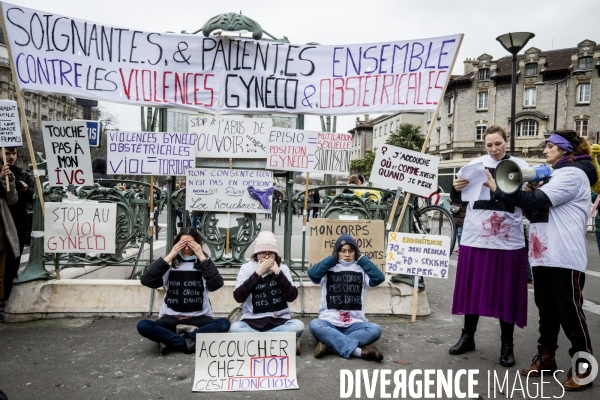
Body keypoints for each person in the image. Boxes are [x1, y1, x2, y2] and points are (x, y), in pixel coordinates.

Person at [486, 130, 598, 391]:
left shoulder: (572, 174)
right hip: (542, 255)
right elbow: (533, 209)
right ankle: (546, 358)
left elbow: (535, 200)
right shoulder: (553, 175)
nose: (544, 150)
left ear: (565, 149)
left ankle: (584, 366)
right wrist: (527, 192)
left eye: (549, 146)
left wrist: (499, 189)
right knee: (547, 312)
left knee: (570, 313)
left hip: (564, 255)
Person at [448, 125, 528, 368]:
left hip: (508, 240)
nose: (493, 149)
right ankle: (467, 337)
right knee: (473, 289)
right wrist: (455, 188)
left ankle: (507, 345)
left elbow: (525, 199)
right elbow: (457, 199)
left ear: (506, 142)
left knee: (507, 294)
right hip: (476, 237)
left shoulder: (520, 166)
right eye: (489, 145)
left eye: (498, 144)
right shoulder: (472, 166)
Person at [137, 228, 230, 354]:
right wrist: (171, 255)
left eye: (190, 244)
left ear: (197, 244)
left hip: (199, 317)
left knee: (224, 324)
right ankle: (189, 342)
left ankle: (171, 341)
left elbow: (216, 284)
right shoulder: (170, 264)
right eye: (182, 244)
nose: (186, 248)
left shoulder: (204, 263)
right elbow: (146, 280)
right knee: (143, 326)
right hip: (171, 318)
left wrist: (201, 256)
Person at [308, 234, 385, 361]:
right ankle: (358, 352)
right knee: (315, 325)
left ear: (356, 251)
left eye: (351, 250)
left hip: (354, 324)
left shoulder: (361, 269)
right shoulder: (329, 268)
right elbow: (312, 275)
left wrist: (361, 258)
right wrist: (332, 259)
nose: (347, 254)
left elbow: (379, 278)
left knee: (375, 330)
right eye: (343, 251)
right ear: (337, 252)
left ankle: (330, 344)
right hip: (329, 322)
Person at [230, 231, 304, 353]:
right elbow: (238, 297)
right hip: (252, 321)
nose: (267, 256)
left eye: (270, 253)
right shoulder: (247, 268)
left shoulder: (283, 268)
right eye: (263, 252)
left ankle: (258, 344)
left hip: (279, 320)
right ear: (257, 253)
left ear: (275, 254)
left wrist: (277, 272)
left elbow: (292, 296)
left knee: (298, 326)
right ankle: (280, 342)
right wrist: (258, 273)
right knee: (235, 328)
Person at [0, 148, 34, 310]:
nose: (11, 157)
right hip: (3, 223)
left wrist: (26, 189)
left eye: (14, 153)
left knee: (13, 263)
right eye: (7, 153)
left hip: (18, 224)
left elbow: (34, 196)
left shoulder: (23, 174)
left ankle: (7, 297)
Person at [0, 164, 19, 320]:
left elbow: (12, 199)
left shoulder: (4, 173)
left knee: (1, 275)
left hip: (1, 235)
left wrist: (8, 179)